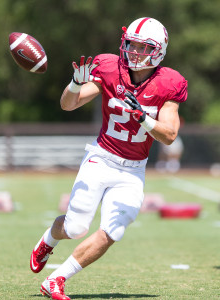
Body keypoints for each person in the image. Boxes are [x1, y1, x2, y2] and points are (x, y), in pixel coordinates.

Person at [30, 17, 188, 299]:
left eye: (143, 47)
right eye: (132, 44)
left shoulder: (169, 82)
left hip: (133, 171)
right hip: (101, 158)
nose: (135, 52)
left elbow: (170, 135)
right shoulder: (110, 67)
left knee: (114, 229)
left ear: (160, 50)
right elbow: (68, 105)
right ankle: (49, 239)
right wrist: (76, 85)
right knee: (76, 227)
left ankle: (56, 279)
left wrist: (144, 119)